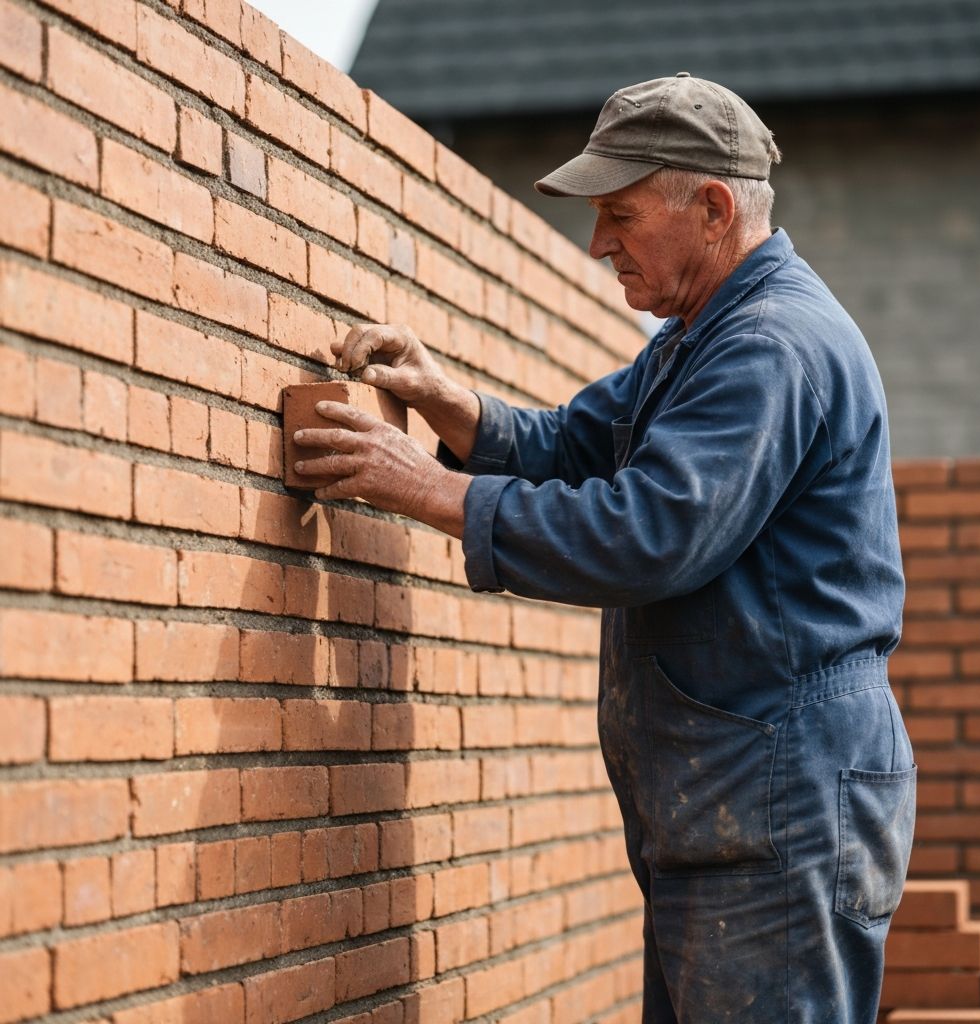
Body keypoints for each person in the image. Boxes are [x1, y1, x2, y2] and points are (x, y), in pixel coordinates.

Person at [293, 73, 916, 1024]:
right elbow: (579, 445)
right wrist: (447, 403)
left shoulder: (770, 346)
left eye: (621, 214)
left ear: (712, 209)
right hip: (734, 812)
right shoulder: (697, 338)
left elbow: (648, 531)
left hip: (775, 817)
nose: (598, 244)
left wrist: (423, 486)